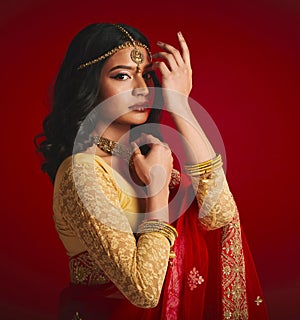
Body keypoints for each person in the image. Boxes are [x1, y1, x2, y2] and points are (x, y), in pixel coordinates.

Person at [34, 23, 268, 319]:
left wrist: (180, 105)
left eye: (145, 75)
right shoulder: (82, 173)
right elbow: (144, 291)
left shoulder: (138, 158)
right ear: (88, 83)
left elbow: (219, 214)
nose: (142, 89)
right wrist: (156, 188)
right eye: (122, 76)